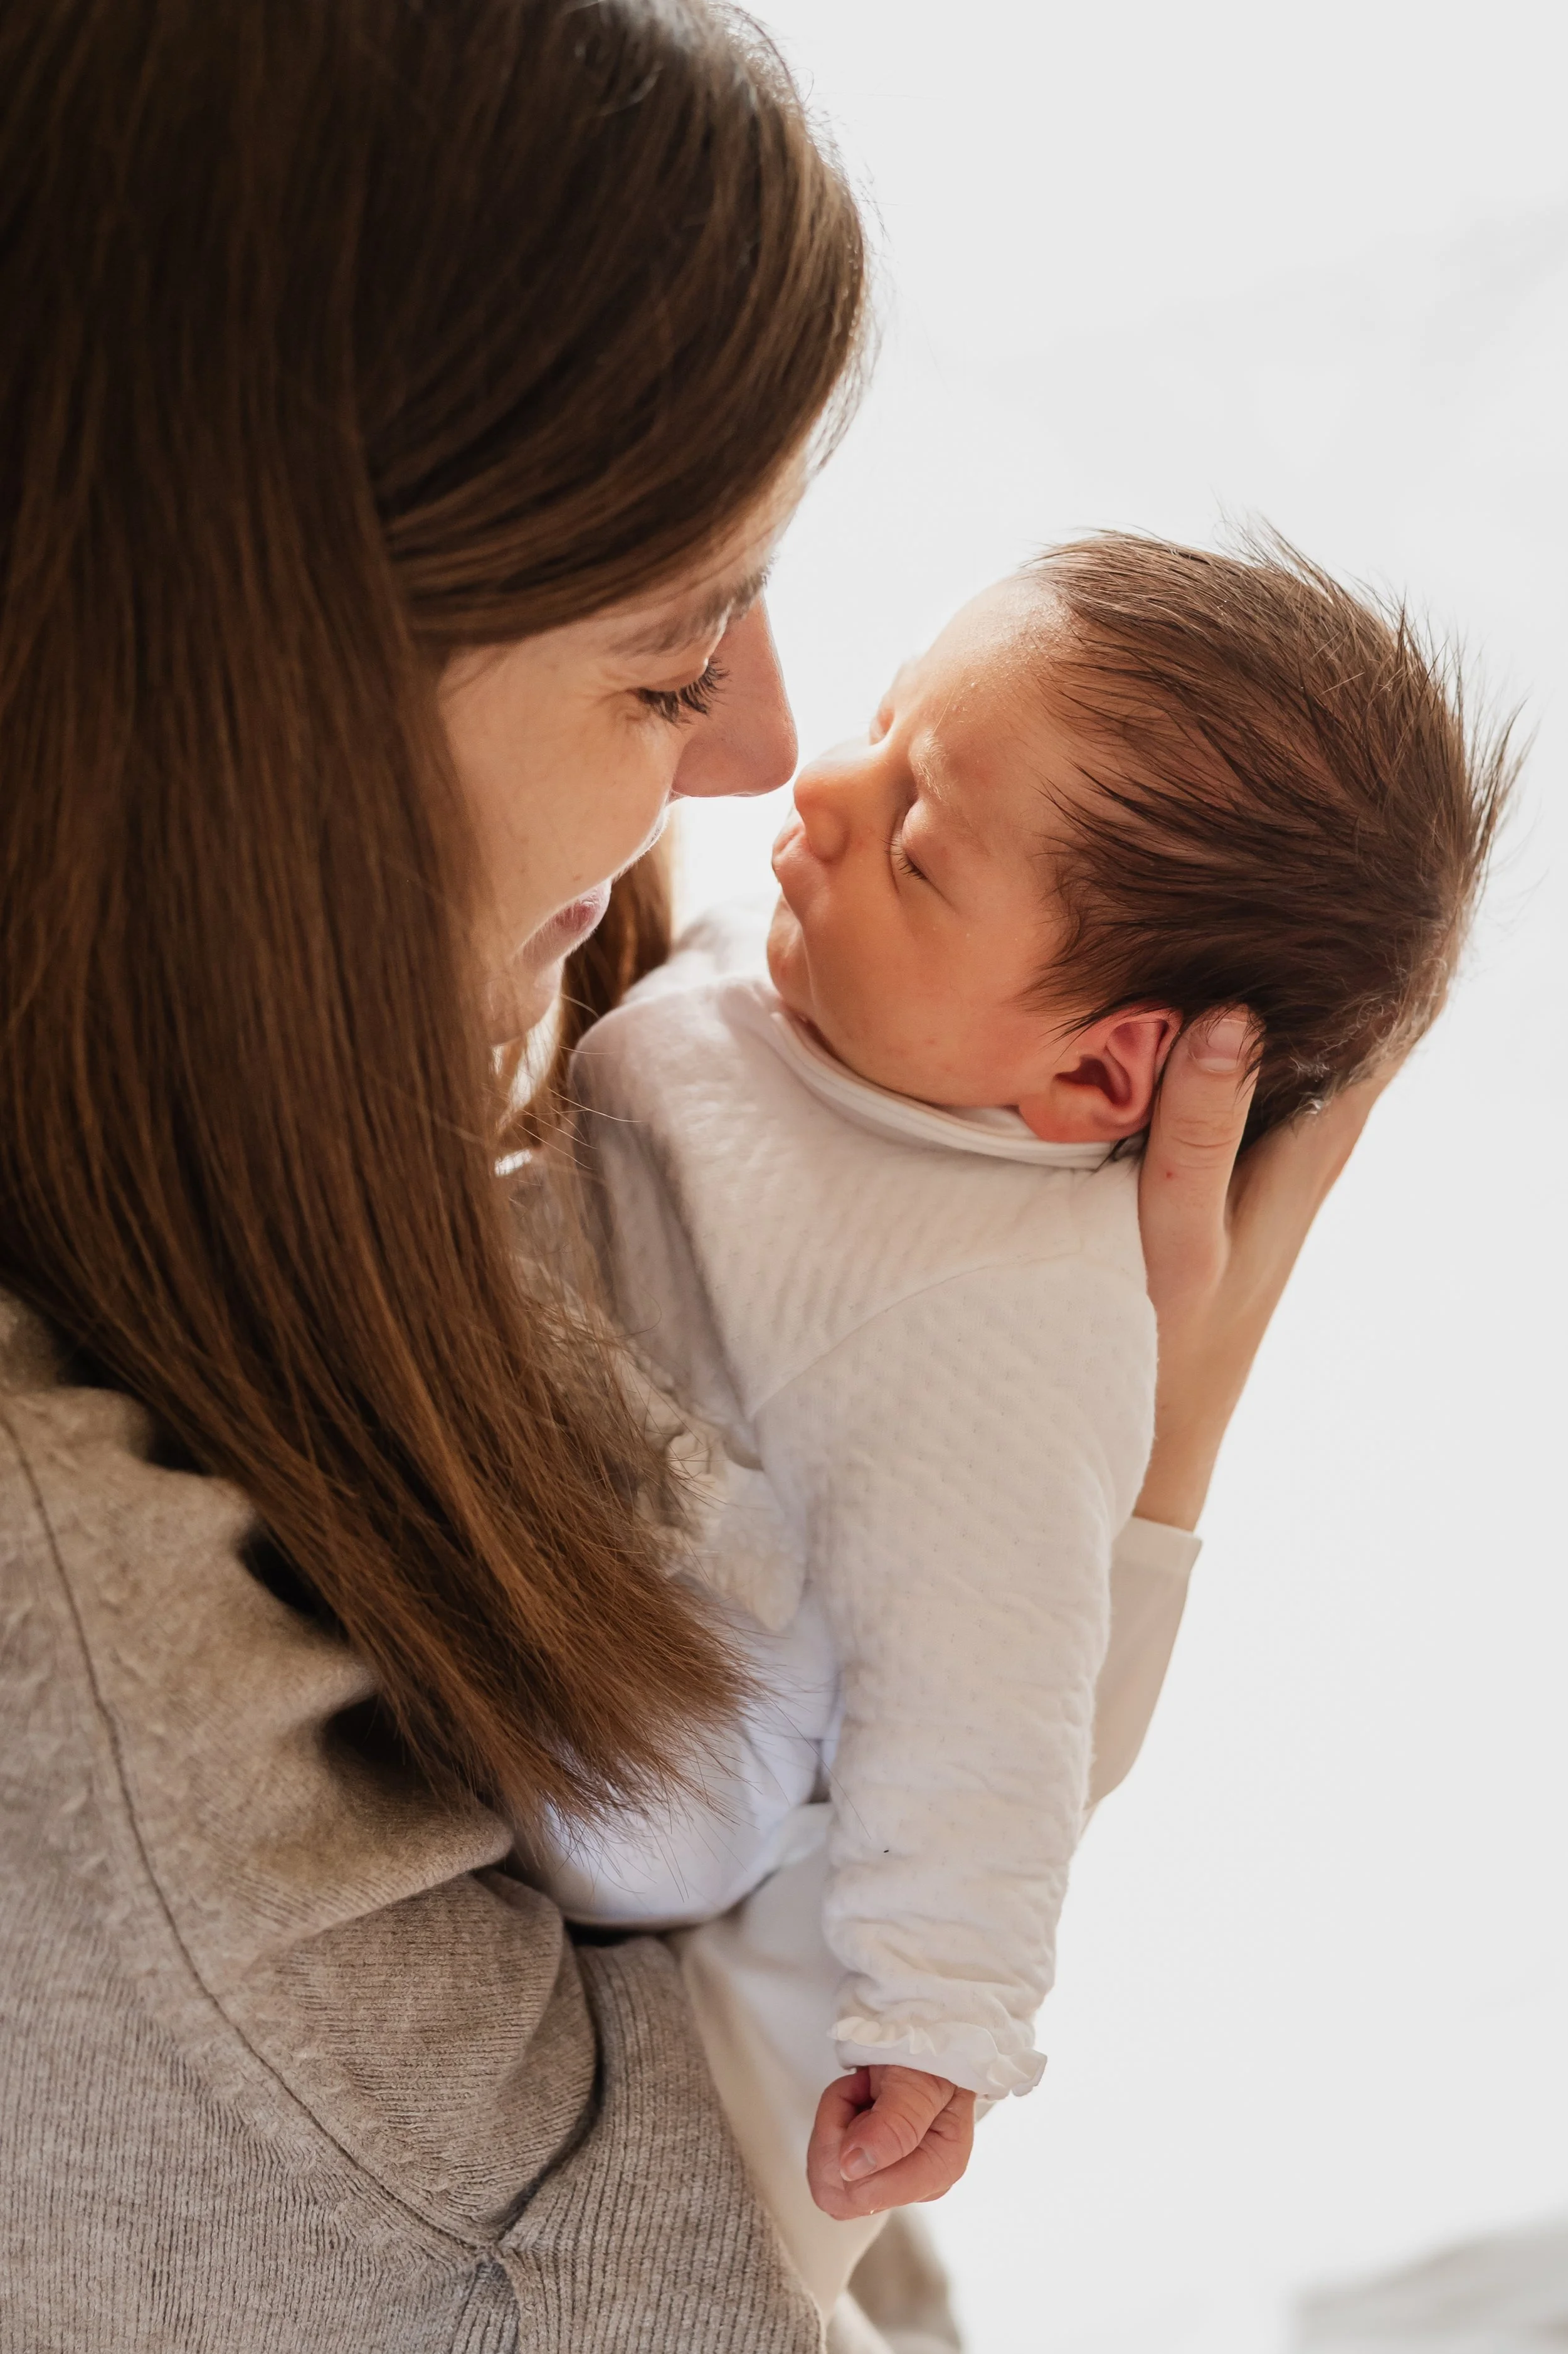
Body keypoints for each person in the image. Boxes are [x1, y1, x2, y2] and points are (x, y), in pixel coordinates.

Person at [0, 2, 1402, 2348]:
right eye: (671, 664)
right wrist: (1145, 1487)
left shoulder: (510, 1001)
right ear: (246, 677)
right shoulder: (76, 1630)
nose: (766, 759)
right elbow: (667, 2270)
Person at [528, 532, 1512, 2311]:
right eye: (892, 718)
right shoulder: (818, 1005)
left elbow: (990, 1703)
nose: (815, 781)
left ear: (1090, 1075)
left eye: (913, 841)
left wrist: (934, 2018)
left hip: (652, 1773)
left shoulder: (1003, 1322)